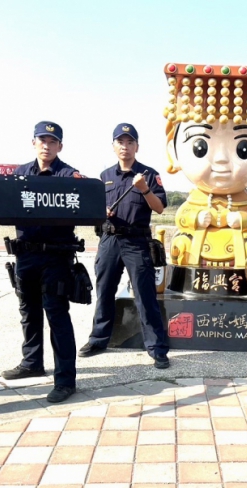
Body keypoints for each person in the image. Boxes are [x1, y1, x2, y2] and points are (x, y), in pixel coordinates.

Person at [0, 122, 84, 403]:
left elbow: (83, 209)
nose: (46, 145)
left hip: (55, 256)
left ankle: (65, 380)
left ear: (60, 146)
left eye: (52, 141)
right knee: (28, 310)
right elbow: (5, 209)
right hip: (25, 255)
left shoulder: (69, 176)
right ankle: (32, 362)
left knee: (57, 314)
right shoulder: (19, 174)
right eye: (42, 140)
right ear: (33, 142)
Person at [78, 124, 170, 368]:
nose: (125, 146)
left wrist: (145, 189)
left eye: (130, 142)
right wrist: (101, 213)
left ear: (137, 146)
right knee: (104, 290)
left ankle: (156, 347)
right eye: (120, 142)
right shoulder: (104, 176)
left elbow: (159, 207)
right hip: (109, 240)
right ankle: (99, 339)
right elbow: (92, 210)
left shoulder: (148, 174)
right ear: (113, 146)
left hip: (136, 241)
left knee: (145, 294)